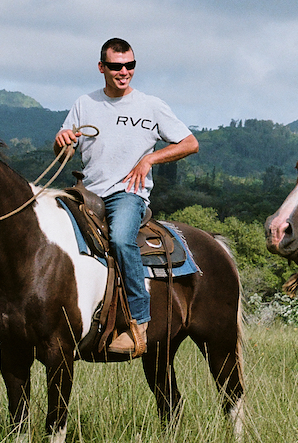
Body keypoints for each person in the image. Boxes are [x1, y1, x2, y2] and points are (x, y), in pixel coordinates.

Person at [55, 38, 199, 355]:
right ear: (101, 68)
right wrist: (62, 139)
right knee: (47, 229)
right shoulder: (85, 103)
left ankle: (137, 323)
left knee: (121, 239)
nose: (124, 72)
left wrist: (150, 159)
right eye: (117, 66)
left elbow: (190, 143)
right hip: (87, 193)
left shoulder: (151, 105)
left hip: (127, 195)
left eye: (130, 65)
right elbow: (65, 149)